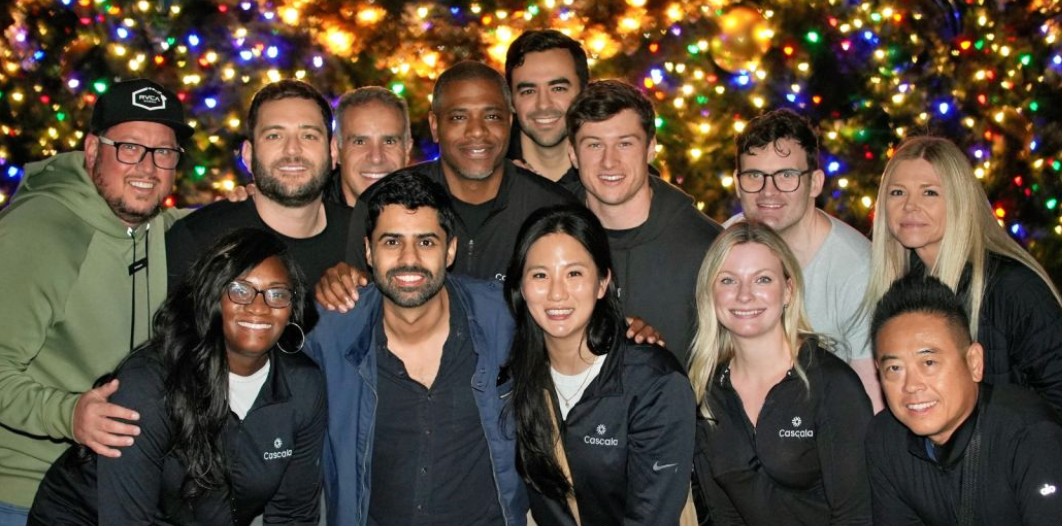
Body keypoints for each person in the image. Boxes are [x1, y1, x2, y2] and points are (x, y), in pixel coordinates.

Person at [28, 228, 327, 525]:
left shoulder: (303, 386)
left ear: (292, 308)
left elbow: (294, 515)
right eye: (240, 290)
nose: (259, 307)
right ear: (212, 296)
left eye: (277, 294)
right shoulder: (149, 384)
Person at [0, 78, 193, 524]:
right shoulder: (39, 231)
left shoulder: (156, 229)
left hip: (113, 491)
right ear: (92, 149)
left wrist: (244, 203)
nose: (147, 167)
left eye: (164, 152)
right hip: (27, 495)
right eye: (130, 147)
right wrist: (68, 414)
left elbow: (209, 227)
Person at [303, 171, 526, 526]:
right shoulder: (329, 331)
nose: (409, 259)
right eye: (392, 241)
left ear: (450, 250)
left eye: (426, 242)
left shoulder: (504, 318)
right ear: (368, 251)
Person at [505, 204, 695, 525]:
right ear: (521, 286)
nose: (556, 293)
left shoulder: (653, 382)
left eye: (574, 274)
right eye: (540, 275)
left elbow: (652, 516)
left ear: (603, 282)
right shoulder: (514, 371)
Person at [689, 222, 872, 526]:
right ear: (710, 293)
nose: (744, 295)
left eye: (762, 279)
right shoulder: (707, 392)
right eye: (728, 280)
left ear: (788, 290)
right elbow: (723, 515)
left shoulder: (831, 385)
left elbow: (858, 516)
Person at [864, 135, 1062, 415]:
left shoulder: (1013, 287)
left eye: (929, 193)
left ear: (960, 201)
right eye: (897, 192)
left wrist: (1011, 440)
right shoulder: (902, 288)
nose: (909, 206)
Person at [867, 273, 1062, 525]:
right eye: (894, 368)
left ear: (974, 363)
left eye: (929, 362)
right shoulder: (886, 438)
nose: (912, 385)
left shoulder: (1029, 436)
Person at [728, 108, 880, 411]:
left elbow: (871, 404)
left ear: (815, 183)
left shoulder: (857, 270)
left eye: (787, 176)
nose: (768, 191)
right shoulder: (722, 251)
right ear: (737, 182)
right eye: (755, 176)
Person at [564, 79, 720, 363]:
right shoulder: (549, 237)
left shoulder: (707, 247)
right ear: (573, 154)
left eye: (625, 144)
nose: (609, 162)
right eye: (594, 145)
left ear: (651, 149)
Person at [166, 79, 350, 287]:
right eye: (274, 136)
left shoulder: (363, 236)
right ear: (248, 155)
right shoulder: (197, 241)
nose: (292, 149)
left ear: (332, 152)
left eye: (308, 136)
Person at [505, 29, 588, 183]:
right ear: (511, 100)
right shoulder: (490, 173)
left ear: (583, 93)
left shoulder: (612, 172)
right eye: (528, 91)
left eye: (558, 89)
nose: (543, 105)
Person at [327, 86, 412, 206]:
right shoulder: (310, 216)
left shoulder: (433, 214)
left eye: (389, 142)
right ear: (335, 149)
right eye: (360, 142)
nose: (376, 158)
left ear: (407, 149)